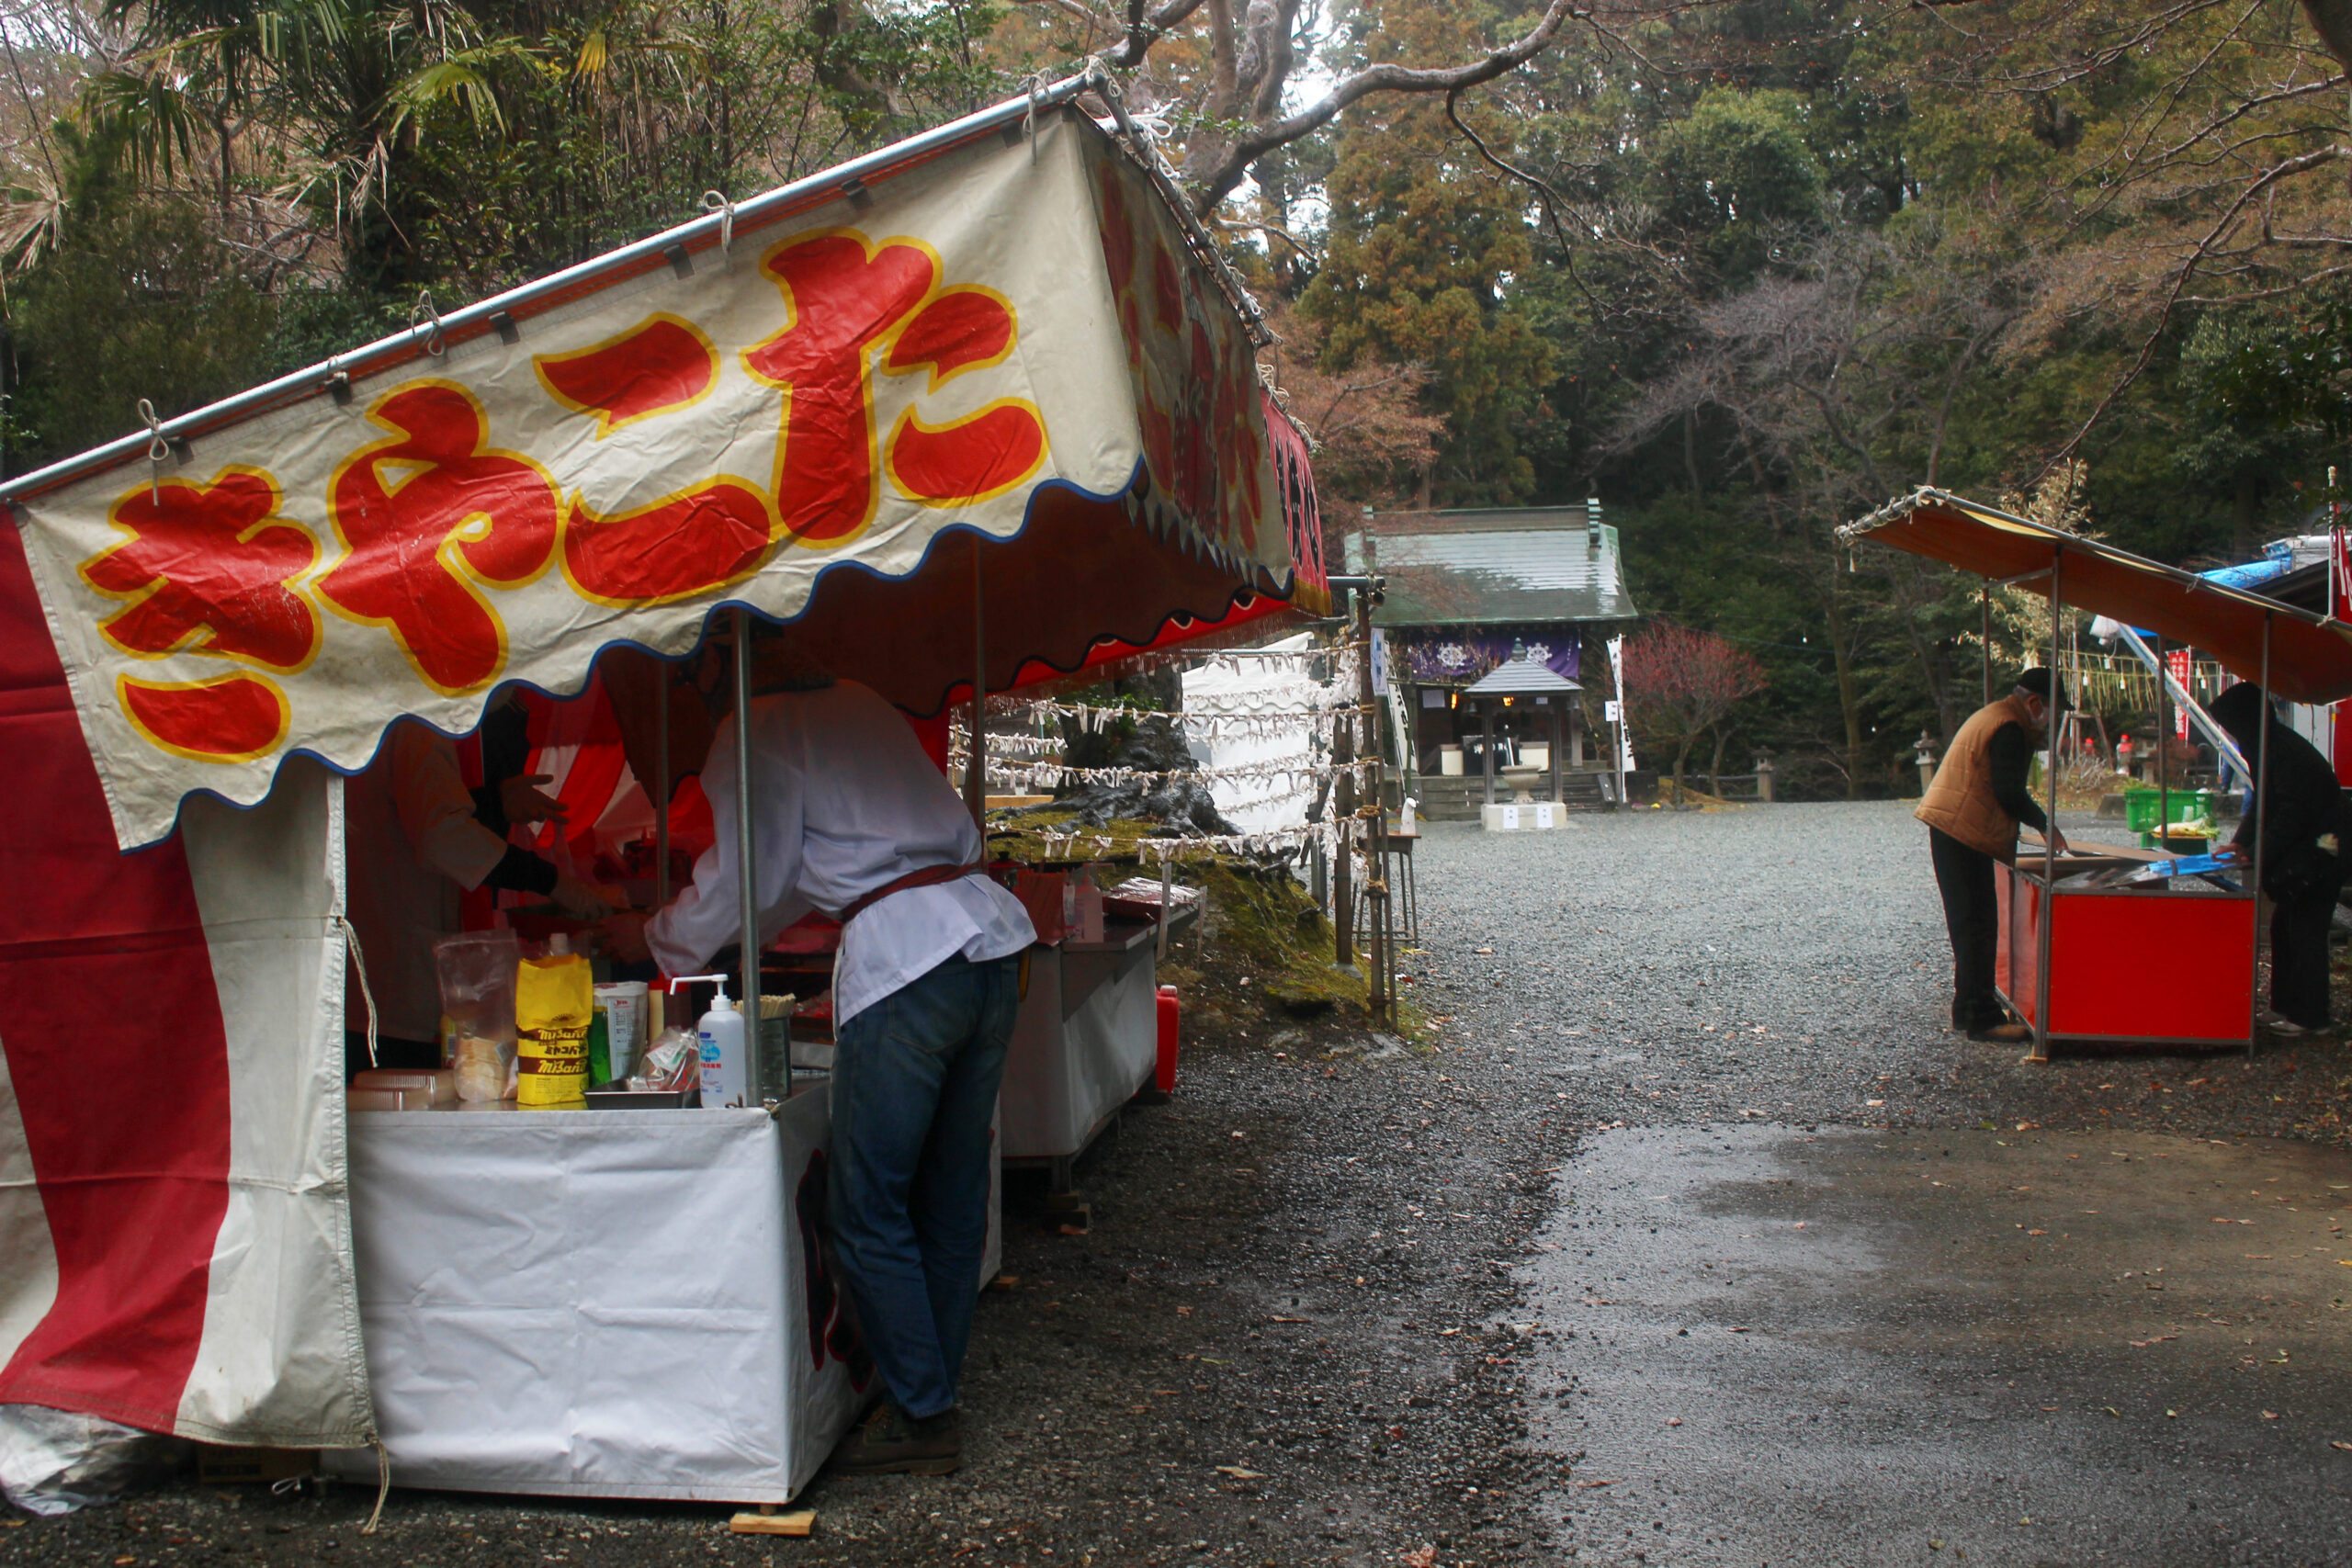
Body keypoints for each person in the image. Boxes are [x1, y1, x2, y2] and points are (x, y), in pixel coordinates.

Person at [604, 647, 1034, 1477]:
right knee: (947, 1195)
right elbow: (810, 869)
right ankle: (928, 1393)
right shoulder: (855, 689)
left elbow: (749, 887)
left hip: (910, 961)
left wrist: (656, 934)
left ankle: (924, 1404)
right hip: (984, 943)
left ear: (711, 673)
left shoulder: (751, 727)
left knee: (865, 1207)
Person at [344, 721, 611, 1076]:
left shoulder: (389, 724)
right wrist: (553, 882)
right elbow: (442, 837)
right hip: (394, 978)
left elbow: (414, 811)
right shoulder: (416, 727)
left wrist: (494, 803)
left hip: (377, 962)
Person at [1915, 668, 2072, 1044]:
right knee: (1977, 925)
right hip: (1963, 830)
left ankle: (1968, 1008)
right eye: (2053, 709)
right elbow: (2009, 791)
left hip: (1952, 827)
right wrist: (2045, 825)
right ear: (2034, 702)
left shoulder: (1997, 714)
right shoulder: (2010, 728)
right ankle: (1980, 1017)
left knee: (1970, 923)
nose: (2053, 719)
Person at [2210, 682, 2346, 1036]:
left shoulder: (2283, 752)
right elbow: (2261, 800)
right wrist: (2241, 842)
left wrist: (2257, 853)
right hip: (2308, 845)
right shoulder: (2265, 745)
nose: (2228, 733)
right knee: (2284, 928)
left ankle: (2311, 1016)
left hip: (2323, 848)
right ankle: (2285, 1006)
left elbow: (2289, 815)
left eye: (2229, 726)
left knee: (2306, 930)